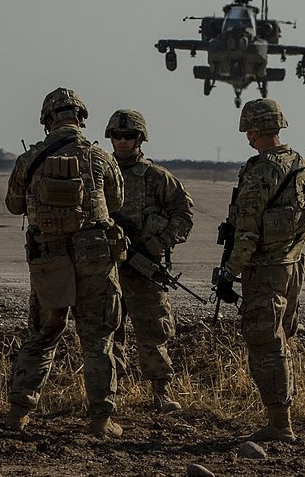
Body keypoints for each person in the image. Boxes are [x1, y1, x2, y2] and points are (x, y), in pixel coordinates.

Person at [3, 88, 126, 438]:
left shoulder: (31, 158)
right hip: (94, 256)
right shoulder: (100, 157)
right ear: (82, 119)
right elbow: (116, 202)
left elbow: (14, 205)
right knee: (97, 337)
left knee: (43, 334)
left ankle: (18, 412)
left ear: (46, 120)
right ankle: (102, 419)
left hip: (48, 256)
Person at [214, 97, 305, 442]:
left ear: (251, 130)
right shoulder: (299, 163)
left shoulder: (261, 169)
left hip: (266, 270)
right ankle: (282, 416)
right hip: (292, 264)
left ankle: (279, 424)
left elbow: (247, 230)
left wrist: (229, 272)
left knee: (265, 342)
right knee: (281, 339)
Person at [105, 108, 194, 413]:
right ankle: (108, 395)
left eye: (129, 136)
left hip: (143, 269)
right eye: (117, 135)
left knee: (154, 330)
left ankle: (161, 392)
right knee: (107, 332)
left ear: (140, 139)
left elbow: (183, 215)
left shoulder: (157, 177)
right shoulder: (99, 172)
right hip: (106, 268)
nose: (123, 142)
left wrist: (157, 243)